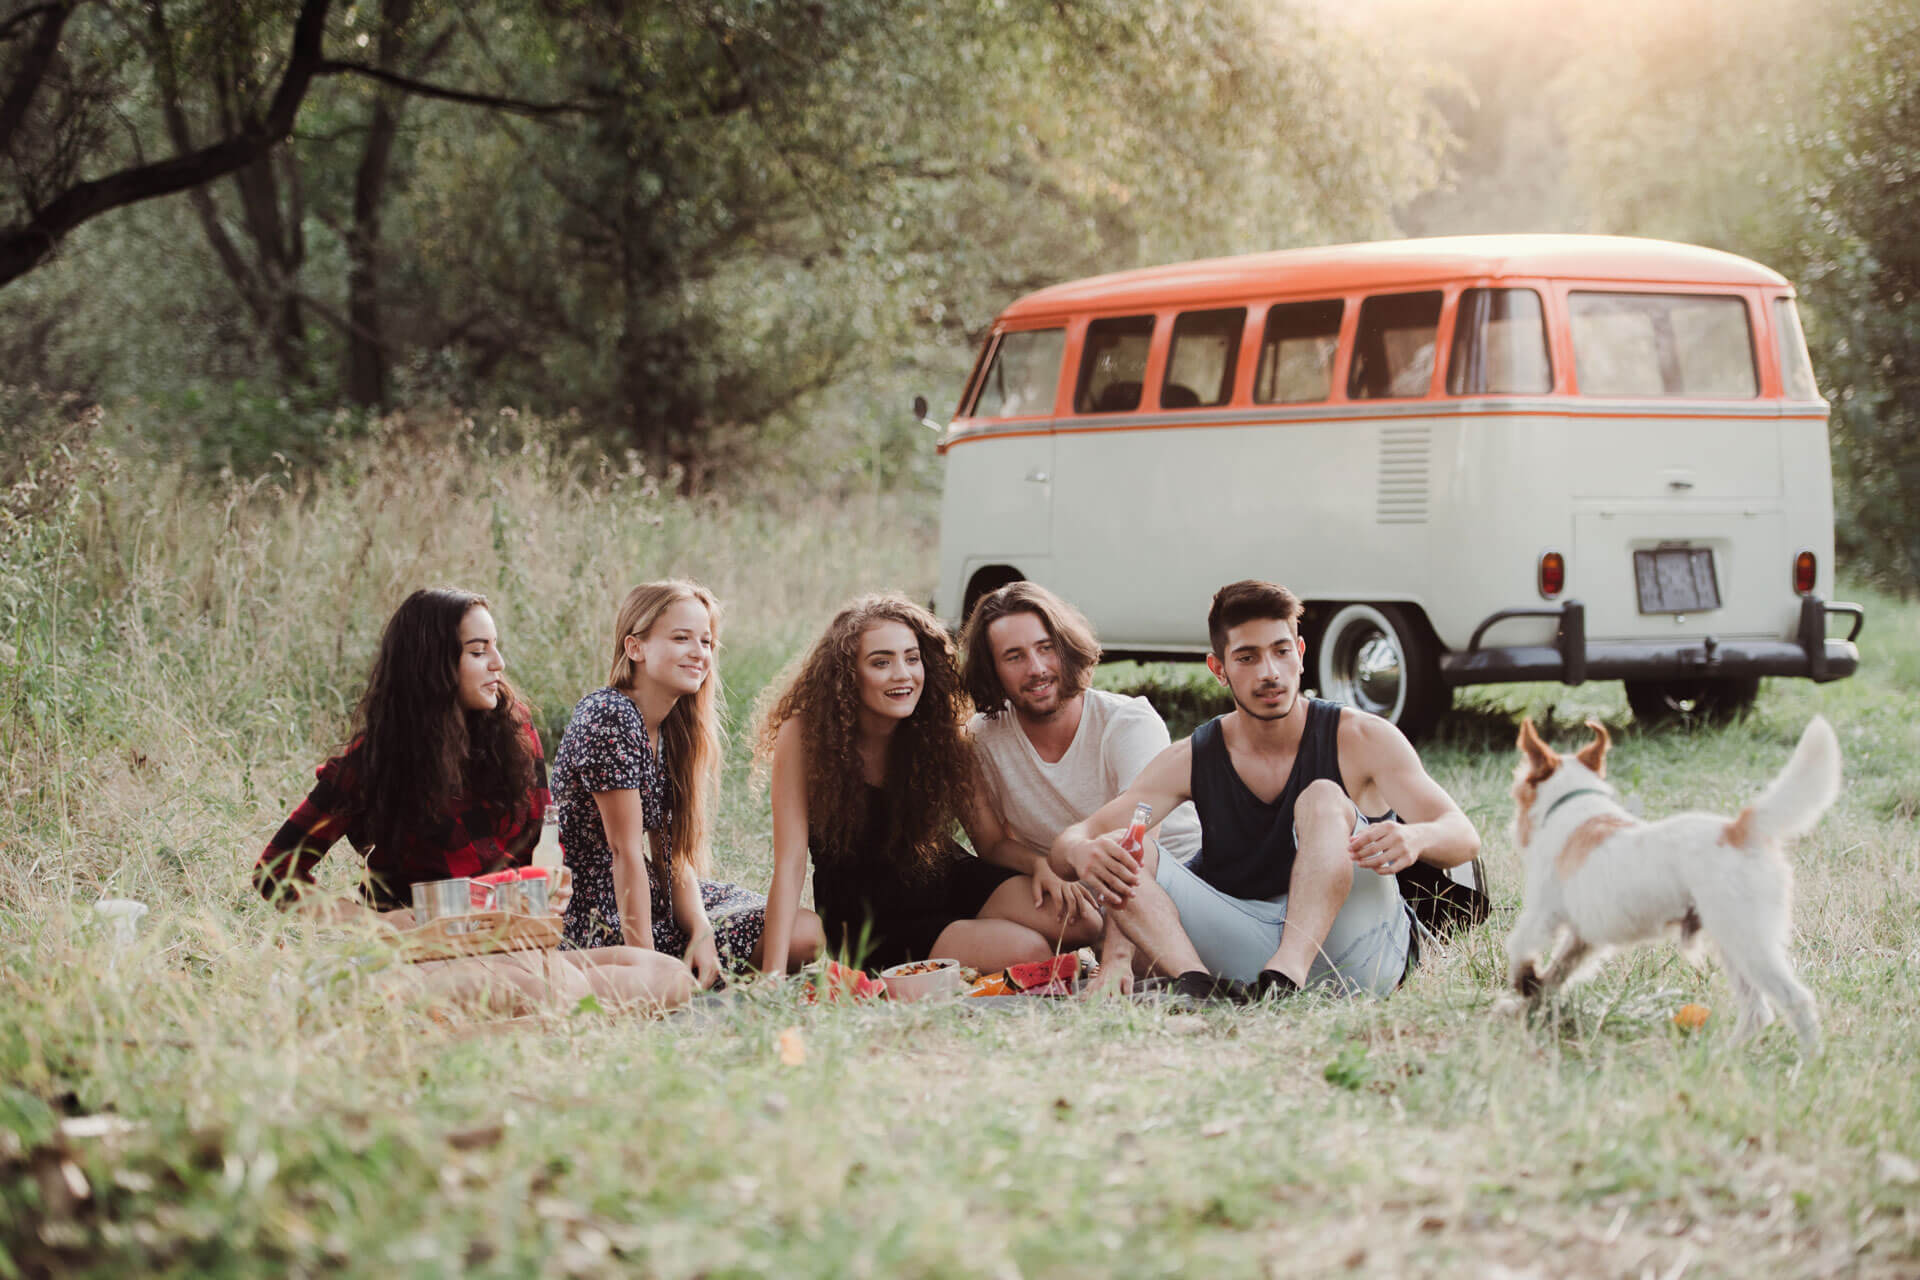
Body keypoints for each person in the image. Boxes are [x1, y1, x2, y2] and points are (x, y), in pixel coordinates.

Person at [255, 587, 693, 1015]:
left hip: (512, 947)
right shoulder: (373, 761)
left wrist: (548, 887)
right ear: (434, 663)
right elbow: (275, 872)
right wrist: (373, 923)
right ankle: (381, 997)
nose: (498, 664)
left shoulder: (514, 732)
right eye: (478, 651)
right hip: (425, 958)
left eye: (495, 648)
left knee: (668, 976)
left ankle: (536, 1011)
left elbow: (538, 852)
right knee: (550, 990)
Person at [1050, 580, 1480, 1001]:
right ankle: (1197, 984)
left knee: (1322, 796)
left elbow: (1462, 835)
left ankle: (1287, 974)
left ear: (1301, 655)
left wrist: (1415, 837)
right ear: (1219, 669)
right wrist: (1079, 853)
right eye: (1247, 657)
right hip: (1250, 951)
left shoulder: (1362, 737)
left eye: (1280, 651)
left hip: (1360, 949)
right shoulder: (1193, 757)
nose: (1270, 672)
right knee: (1123, 846)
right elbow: (1077, 839)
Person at [755, 594, 1101, 975]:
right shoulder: (805, 736)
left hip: (946, 878)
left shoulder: (938, 732)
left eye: (912, 658)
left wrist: (1041, 866)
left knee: (1084, 920)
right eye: (881, 662)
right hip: (872, 913)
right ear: (847, 674)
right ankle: (987, 948)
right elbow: (789, 866)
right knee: (1031, 949)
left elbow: (991, 843)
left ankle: (982, 946)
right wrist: (773, 975)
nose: (903, 674)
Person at [555, 580, 823, 986]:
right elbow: (623, 852)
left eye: (706, 642)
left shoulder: (672, 729)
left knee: (803, 932)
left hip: (655, 894)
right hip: (598, 910)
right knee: (666, 977)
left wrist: (700, 930)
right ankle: (654, 972)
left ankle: (693, 965)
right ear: (635, 648)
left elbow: (670, 856)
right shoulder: (609, 715)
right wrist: (646, 973)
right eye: (681, 638)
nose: (699, 653)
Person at [958, 580, 1201, 994]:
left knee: (1152, 961)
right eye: (1014, 656)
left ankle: (1127, 953)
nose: (1036, 668)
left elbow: (1138, 851)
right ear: (992, 668)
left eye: (1045, 647)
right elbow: (993, 844)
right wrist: (1040, 866)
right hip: (1090, 894)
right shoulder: (981, 740)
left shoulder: (1127, 724)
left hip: (1182, 881)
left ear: (1066, 647)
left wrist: (1118, 960)